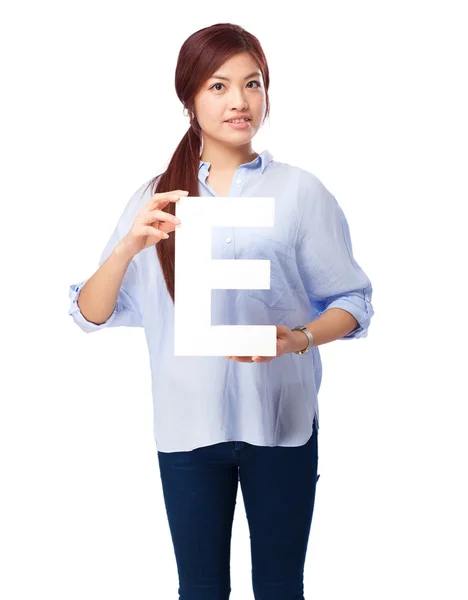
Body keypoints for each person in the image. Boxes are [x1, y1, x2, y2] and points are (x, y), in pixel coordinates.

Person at [68, 22, 374, 600]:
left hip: (279, 423)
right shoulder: (157, 198)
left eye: (252, 84)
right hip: (188, 429)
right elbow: (90, 313)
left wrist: (296, 339)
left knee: (282, 589)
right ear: (189, 97)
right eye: (218, 85)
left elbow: (355, 303)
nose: (240, 100)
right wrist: (129, 247)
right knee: (200, 591)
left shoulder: (300, 193)